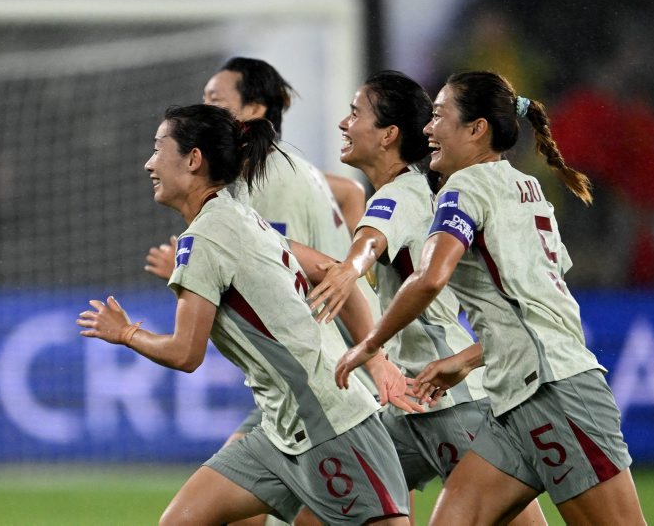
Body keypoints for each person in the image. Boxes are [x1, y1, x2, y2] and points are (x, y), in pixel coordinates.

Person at [335, 71, 647, 525]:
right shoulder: (528, 189)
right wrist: (466, 359)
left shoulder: (463, 188)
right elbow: (535, 309)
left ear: (476, 129)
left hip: (555, 393)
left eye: (439, 116)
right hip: (513, 401)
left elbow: (429, 279)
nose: (428, 129)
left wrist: (368, 345)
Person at [79, 104, 412, 525]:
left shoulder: (207, 236)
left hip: (330, 422)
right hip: (280, 429)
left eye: (158, 148)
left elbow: (185, 353)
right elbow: (329, 267)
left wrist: (126, 333)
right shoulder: (239, 216)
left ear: (193, 159)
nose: (149, 163)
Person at [307, 70, 548, 525]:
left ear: (388, 135)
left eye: (355, 113)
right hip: (410, 401)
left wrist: (349, 269)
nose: (343, 123)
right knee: (325, 509)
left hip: (451, 402)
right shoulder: (413, 192)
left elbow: (371, 241)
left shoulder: (402, 195)